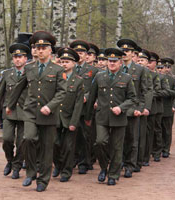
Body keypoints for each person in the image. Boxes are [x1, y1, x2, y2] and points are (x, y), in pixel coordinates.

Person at [6, 31, 66, 192]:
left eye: (43, 48)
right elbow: (19, 87)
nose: (39, 50)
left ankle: (43, 180)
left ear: (50, 50)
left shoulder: (58, 69)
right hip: (31, 111)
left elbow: (62, 92)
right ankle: (31, 172)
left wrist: (50, 106)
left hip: (49, 115)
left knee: (47, 149)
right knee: (28, 138)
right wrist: (10, 105)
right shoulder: (30, 68)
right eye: (37, 47)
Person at [85, 48, 137, 185]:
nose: (112, 63)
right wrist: (88, 116)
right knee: (100, 142)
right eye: (110, 61)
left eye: (115, 61)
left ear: (120, 63)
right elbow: (91, 98)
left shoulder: (126, 78)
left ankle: (113, 175)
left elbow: (132, 98)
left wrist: (121, 108)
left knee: (116, 147)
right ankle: (103, 167)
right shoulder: (99, 76)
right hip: (102, 116)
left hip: (119, 118)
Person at [0, 43, 30, 179]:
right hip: (9, 112)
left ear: (26, 59)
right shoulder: (7, 74)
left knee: (22, 142)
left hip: (25, 112)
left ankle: (17, 166)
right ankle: (9, 160)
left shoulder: (30, 73)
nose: (17, 59)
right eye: (15, 57)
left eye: (21, 57)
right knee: (7, 139)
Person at [52, 47, 84, 182]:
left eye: (67, 62)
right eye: (62, 61)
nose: (64, 64)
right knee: (54, 144)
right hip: (54, 118)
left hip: (69, 118)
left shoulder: (78, 80)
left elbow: (78, 104)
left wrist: (74, 122)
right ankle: (58, 165)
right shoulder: (54, 78)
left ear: (74, 64)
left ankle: (66, 171)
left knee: (68, 147)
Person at [117, 39, 147, 178]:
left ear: (133, 53)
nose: (124, 54)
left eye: (127, 51)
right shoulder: (115, 67)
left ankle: (130, 165)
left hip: (133, 110)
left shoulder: (140, 70)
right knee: (117, 140)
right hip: (118, 110)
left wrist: (140, 108)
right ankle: (119, 163)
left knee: (132, 139)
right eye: (122, 51)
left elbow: (144, 91)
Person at [69, 39, 98, 174]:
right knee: (71, 135)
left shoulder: (93, 70)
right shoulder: (68, 68)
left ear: (87, 55)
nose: (79, 55)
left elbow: (94, 89)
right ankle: (72, 159)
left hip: (85, 108)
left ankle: (84, 162)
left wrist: (86, 96)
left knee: (84, 135)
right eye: (76, 52)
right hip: (70, 107)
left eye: (82, 52)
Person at [160, 58, 175, 157]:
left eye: (168, 67)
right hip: (158, 107)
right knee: (158, 129)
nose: (167, 69)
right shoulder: (157, 77)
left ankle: (166, 149)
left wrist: (174, 106)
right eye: (165, 66)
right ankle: (158, 148)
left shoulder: (174, 79)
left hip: (168, 107)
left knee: (167, 130)